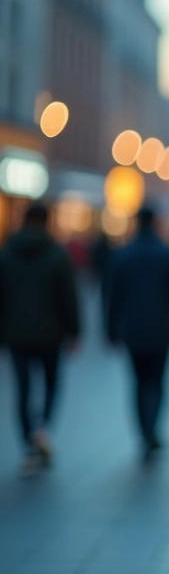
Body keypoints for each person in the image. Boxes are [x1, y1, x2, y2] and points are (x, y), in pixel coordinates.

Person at [104, 205, 169, 460]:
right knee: (158, 381)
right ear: (155, 223)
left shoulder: (122, 256)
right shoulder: (168, 255)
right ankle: (152, 429)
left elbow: (111, 297)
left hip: (132, 331)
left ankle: (144, 431)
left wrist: (110, 331)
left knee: (139, 382)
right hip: (161, 330)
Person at [0, 203, 80, 476]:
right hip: (51, 334)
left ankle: (28, 444)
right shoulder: (57, 255)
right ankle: (42, 429)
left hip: (16, 334)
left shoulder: (7, 254)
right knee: (50, 383)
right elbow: (68, 297)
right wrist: (74, 331)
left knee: (22, 388)